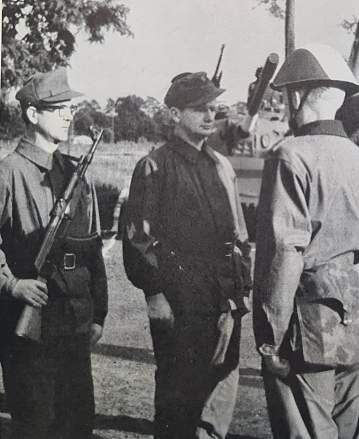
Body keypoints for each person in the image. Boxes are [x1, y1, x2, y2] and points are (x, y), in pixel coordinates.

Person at [252, 43, 359, 439]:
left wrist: (270, 339)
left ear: (297, 94)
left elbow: (285, 252)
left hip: (306, 330)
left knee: (305, 432)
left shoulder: (289, 156)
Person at [123, 71, 252, 439]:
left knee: (217, 399)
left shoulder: (220, 166)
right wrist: (155, 294)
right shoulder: (155, 166)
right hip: (180, 303)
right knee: (177, 401)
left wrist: (238, 292)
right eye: (199, 109)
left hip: (222, 299)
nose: (210, 116)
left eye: (214, 108)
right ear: (175, 114)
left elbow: (238, 233)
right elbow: (138, 238)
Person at [0, 68, 108, 439]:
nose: (68, 114)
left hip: (74, 322)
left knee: (78, 423)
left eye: (70, 107)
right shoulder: (8, 173)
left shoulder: (76, 173)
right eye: (58, 107)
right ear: (32, 114)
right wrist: (13, 285)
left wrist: (100, 312)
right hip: (26, 325)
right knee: (35, 425)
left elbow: (90, 248)